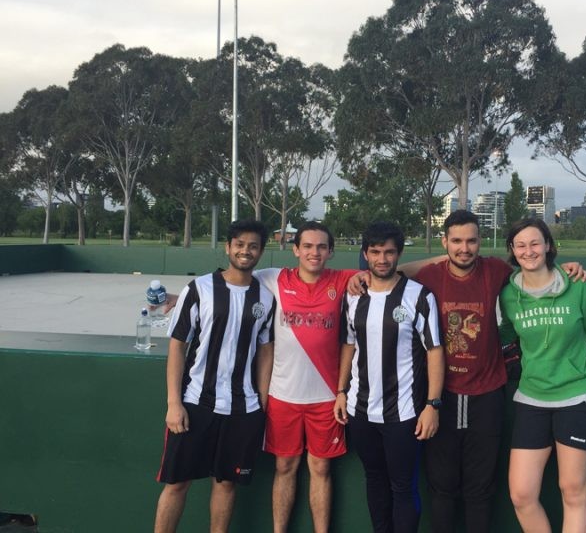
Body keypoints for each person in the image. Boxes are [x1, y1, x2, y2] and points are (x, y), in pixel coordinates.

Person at [347, 210, 586, 533]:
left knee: (480, 490)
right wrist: (364, 276)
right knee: (441, 488)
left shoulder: (495, 271)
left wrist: (567, 267)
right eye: (456, 241)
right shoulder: (431, 276)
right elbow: (395, 271)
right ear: (445, 242)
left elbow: (535, 265)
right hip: (442, 396)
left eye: (471, 240)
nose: (464, 248)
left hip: (487, 396)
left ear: (480, 242)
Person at [498, 218, 586, 533]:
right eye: (521, 245)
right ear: (512, 250)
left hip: (577, 397)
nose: (529, 251)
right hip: (531, 399)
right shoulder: (509, 294)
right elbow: (507, 333)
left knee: (573, 491)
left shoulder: (577, 284)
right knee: (522, 494)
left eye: (535, 243)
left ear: (548, 245)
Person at [154, 220, 275, 533]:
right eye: (239, 244)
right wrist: (173, 402)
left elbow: (265, 351)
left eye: (253, 246)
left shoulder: (266, 298)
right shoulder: (200, 289)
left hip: (242, 409)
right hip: (195, 404)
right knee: (177, 484)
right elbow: (178, 347)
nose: (245, 251)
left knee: (225, 485)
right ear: (228, 247)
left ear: (261, 251)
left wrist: (261, 404)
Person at [334, 222, 444, 533]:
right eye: (376, 252)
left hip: (404, 413)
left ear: (399, 254)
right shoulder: (354, 295)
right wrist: (341, 391)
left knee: (403, 487)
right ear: (365, 254)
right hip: (361, 410)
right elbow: (348, 344)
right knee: (375, 480)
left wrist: (432, 404)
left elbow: (435, 351)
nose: (383, 259)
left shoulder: (419, 295)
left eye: (390, 252)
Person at [255, 221, 361, 533]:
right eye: (308, 246)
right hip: (283, 396)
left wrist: (441, 260)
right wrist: (179, 299)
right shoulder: (275, 278)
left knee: (321, 468)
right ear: (296, 249)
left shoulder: (343, 280)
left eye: (321, 247)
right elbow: (228, 284)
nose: (314, 252)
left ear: (330, 251)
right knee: (284, 467)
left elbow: (394, 271)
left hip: (326, 398)